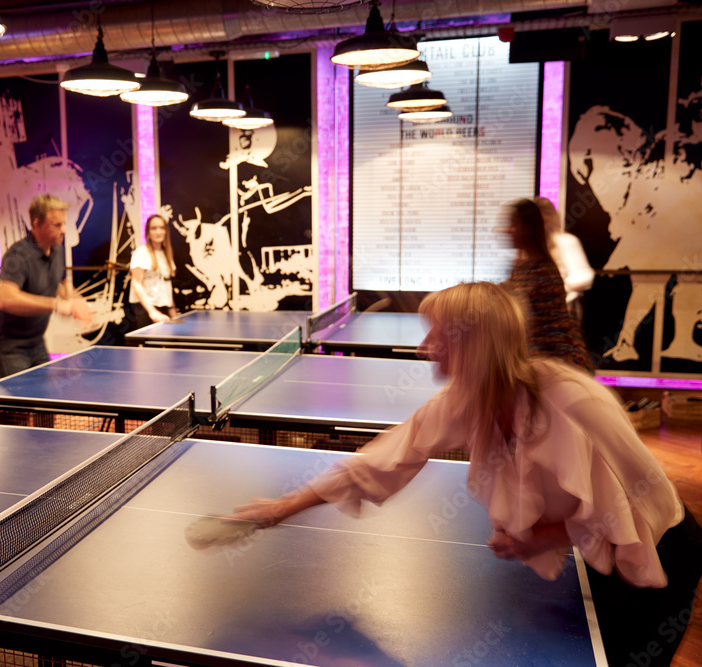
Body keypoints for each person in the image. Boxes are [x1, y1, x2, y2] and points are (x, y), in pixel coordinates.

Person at [228, 281, 702, 667]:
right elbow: (381, 460)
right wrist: (281, 507)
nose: (423, 347)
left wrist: (538, 537)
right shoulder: (467, 398)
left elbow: (622, 516)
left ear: (472, 342)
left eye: (437, 334)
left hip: (661, 550)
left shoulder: (572, 404)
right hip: (604, 552)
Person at [0, 194, 93, 377]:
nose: (63, 230)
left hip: (36, 340)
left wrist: (77, 301)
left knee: (43, 392)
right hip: (10, 344)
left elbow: (59, 283)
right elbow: (6, 299)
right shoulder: (18, 255)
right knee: (20, 395)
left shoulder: (57, 250)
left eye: (64, 224)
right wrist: (57, 305)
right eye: (56, 225)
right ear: (37, 224)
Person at [502, 198, 594, 373]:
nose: (506, 230)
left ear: (529, 227)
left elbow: (546, 336)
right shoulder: (521, 266)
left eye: (513, 224)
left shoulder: (545, 268)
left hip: (549, 363)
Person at [533, 197, 594, 321]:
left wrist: (559, 286)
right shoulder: (530, 245)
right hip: (537, 310)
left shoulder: (565, 241)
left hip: (563, 308)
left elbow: (586, 276)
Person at [128, 213, 177, 331]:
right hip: (145, 309)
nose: (158, 232)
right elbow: (136, 283)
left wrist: (172, 309)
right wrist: (152, 311)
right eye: (154, 228)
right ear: (148, 232)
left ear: (166, 231)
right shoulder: (141, 252)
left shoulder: (167, 253)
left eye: (162, 228)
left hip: (164, 306)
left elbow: (166, 284)